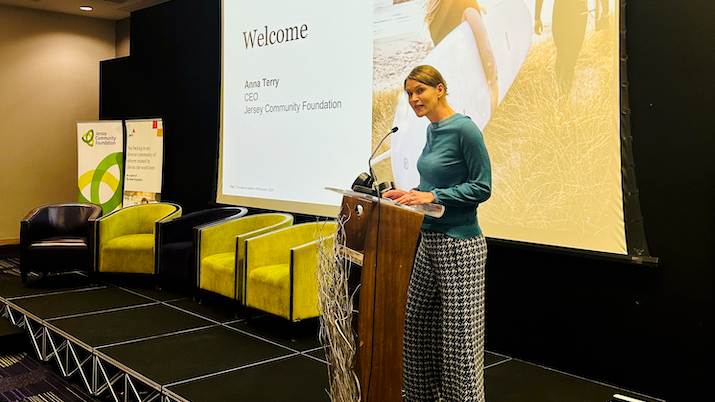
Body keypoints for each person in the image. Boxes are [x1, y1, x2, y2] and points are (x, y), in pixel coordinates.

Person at [383, 65, 492, 402]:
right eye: (410, 93)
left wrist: (432, 196)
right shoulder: (432, 131)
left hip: (460, 244)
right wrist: (410, 194)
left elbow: (481, 187)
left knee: (460, 341)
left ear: (440, 89)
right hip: (428, 238)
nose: (414, 98)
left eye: (420, 91)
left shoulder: (465, 130)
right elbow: (433, 186)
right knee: (416, 324)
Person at [424, 0, 499, 117]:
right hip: (474, 85)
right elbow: (485, 49)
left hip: (453, 90)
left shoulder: (432, 15)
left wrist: (475, 12)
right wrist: (494, 86)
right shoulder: (466, 5)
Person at [535, 0, 588, 94]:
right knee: (565, 56)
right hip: (572, 10)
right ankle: (563, 95)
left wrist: (537, 17)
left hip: (566, 10)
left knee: (565, 57)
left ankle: (563, 95)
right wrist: (537, 18)